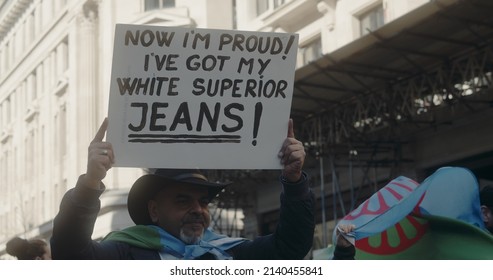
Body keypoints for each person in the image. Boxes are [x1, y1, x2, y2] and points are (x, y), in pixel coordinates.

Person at [50, 118, 315, 260]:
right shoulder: (125, 253)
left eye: (203, 202)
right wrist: (89, 184)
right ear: (154, 210)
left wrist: (294, 182)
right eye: (182, 200)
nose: (197, 210)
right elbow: (70, 253)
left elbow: (291, 247)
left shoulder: (230, 252)